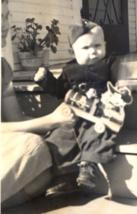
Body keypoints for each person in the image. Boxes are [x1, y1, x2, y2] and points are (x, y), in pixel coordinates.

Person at [34, 20, 132, 194]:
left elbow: (121, 84)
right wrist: (45, 79)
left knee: (94, 130)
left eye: (97, 45)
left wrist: (121, 93)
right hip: (75, 113)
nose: (93, 51)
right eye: (85, 48)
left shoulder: (110, 63)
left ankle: (89, 167)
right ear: (72, 51)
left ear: (105, 45)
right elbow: (59, 91)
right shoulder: (69, 69)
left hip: (102, 113)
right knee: (59, 137)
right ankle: (67, 177)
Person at [1, 0, 76, 208]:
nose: (6, 24)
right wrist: (49, 121)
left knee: (47, 170)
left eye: (7, 16)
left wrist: (59, 122)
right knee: (33, 147)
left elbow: (15, 119)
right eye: (0, 18)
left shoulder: (3, 67)